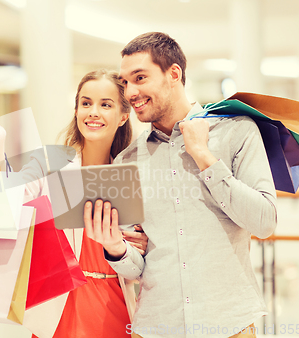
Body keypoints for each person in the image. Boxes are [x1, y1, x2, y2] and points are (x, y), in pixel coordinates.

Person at [84, 32, 277, 338]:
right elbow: (136, 268)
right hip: (155, 327)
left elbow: (264, 223)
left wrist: (204, 156)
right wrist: (114, 246)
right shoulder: (128, 160)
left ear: (173, 74)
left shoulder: (236, 132)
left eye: (140, 77)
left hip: (229, 325)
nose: (130, 92)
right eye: (125, 82)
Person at [0, 69, 149, 338]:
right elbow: (5, 205)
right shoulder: (50, 163)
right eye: (86, 103)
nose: (93, 112)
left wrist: (143, 243)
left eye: (105, 104)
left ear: (124, 115)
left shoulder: (135, 173)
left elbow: (144, 258)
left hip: (114, 307)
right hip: (58, 306)